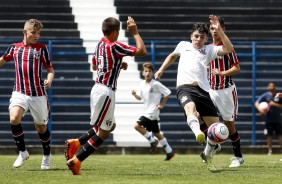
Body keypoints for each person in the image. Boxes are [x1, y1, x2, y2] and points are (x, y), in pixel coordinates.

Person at [64, 16, 147, 175]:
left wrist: (116, 64)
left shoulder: (100, 44)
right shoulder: (114, 46)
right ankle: (76, 160)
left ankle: (76, 142)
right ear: (115, 31)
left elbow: (95, 65)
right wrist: (134, 32)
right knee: (104, 132)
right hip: (106, 91)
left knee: (109, 126)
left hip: (97, 88)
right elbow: (142, 51)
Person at [154, 15, 234, 171]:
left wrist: (219, 30)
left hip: (203, 91)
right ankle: (198, 134)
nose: (198, 39)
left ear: (206, 39)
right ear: (191, 36)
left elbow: (229, 48)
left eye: (202, 37)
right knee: (191, 109)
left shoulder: (210, 50)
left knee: (218, 129)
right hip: (184, 87)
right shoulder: (183, 45)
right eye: (196, 36)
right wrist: (161, 69)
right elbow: (172, 56)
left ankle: (207, 152)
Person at [0, 19, 54, 169]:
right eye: (33, 32)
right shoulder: (14, 48)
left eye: (38, 33)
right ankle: (23, 152)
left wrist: (49, 80)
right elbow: (2, 61)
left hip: (38, 94)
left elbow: (50, 70)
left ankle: (47, 155)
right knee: (14, 118)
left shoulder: (42, 49)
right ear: (25, 32)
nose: (37, 35)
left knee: (41, 127)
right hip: (19, 91)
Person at [199, 16, 244, 168]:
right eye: (212, 29)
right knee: (199, 115)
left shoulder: (227, 48)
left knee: (230, 125)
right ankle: (214, 144)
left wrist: (222, 73)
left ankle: (238, 156)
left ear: (223, 30)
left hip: (226, 91)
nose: (214, 31)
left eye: (217, 28)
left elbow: (237, 68)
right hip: (211, 90)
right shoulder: (209, 48)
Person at [131, 62, 175, 160]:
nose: (148, 73)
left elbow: (167, 93)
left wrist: (162, 105)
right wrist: (134, 95)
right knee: (157, 133)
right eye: (146, 71)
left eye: (150, 71)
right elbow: (140, 97)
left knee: (137, 126)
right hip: (147, 111)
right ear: (143, 73)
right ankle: (170, 151)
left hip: (153, 111)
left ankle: (152, 141)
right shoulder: (141, 84)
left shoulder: (156, 84)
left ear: (152, 73)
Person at [255, 82, 282, 155]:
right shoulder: (265, 95)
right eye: (270, 86)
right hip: (268, 119)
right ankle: (270, 151)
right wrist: (260, 110)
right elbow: (256, 103)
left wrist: (274, 104)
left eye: (273, 86)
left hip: (277, 119)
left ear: (275, 87)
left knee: (280, 135)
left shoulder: (278, 95)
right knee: (269, 135)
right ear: (268, 87)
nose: (271, 87)